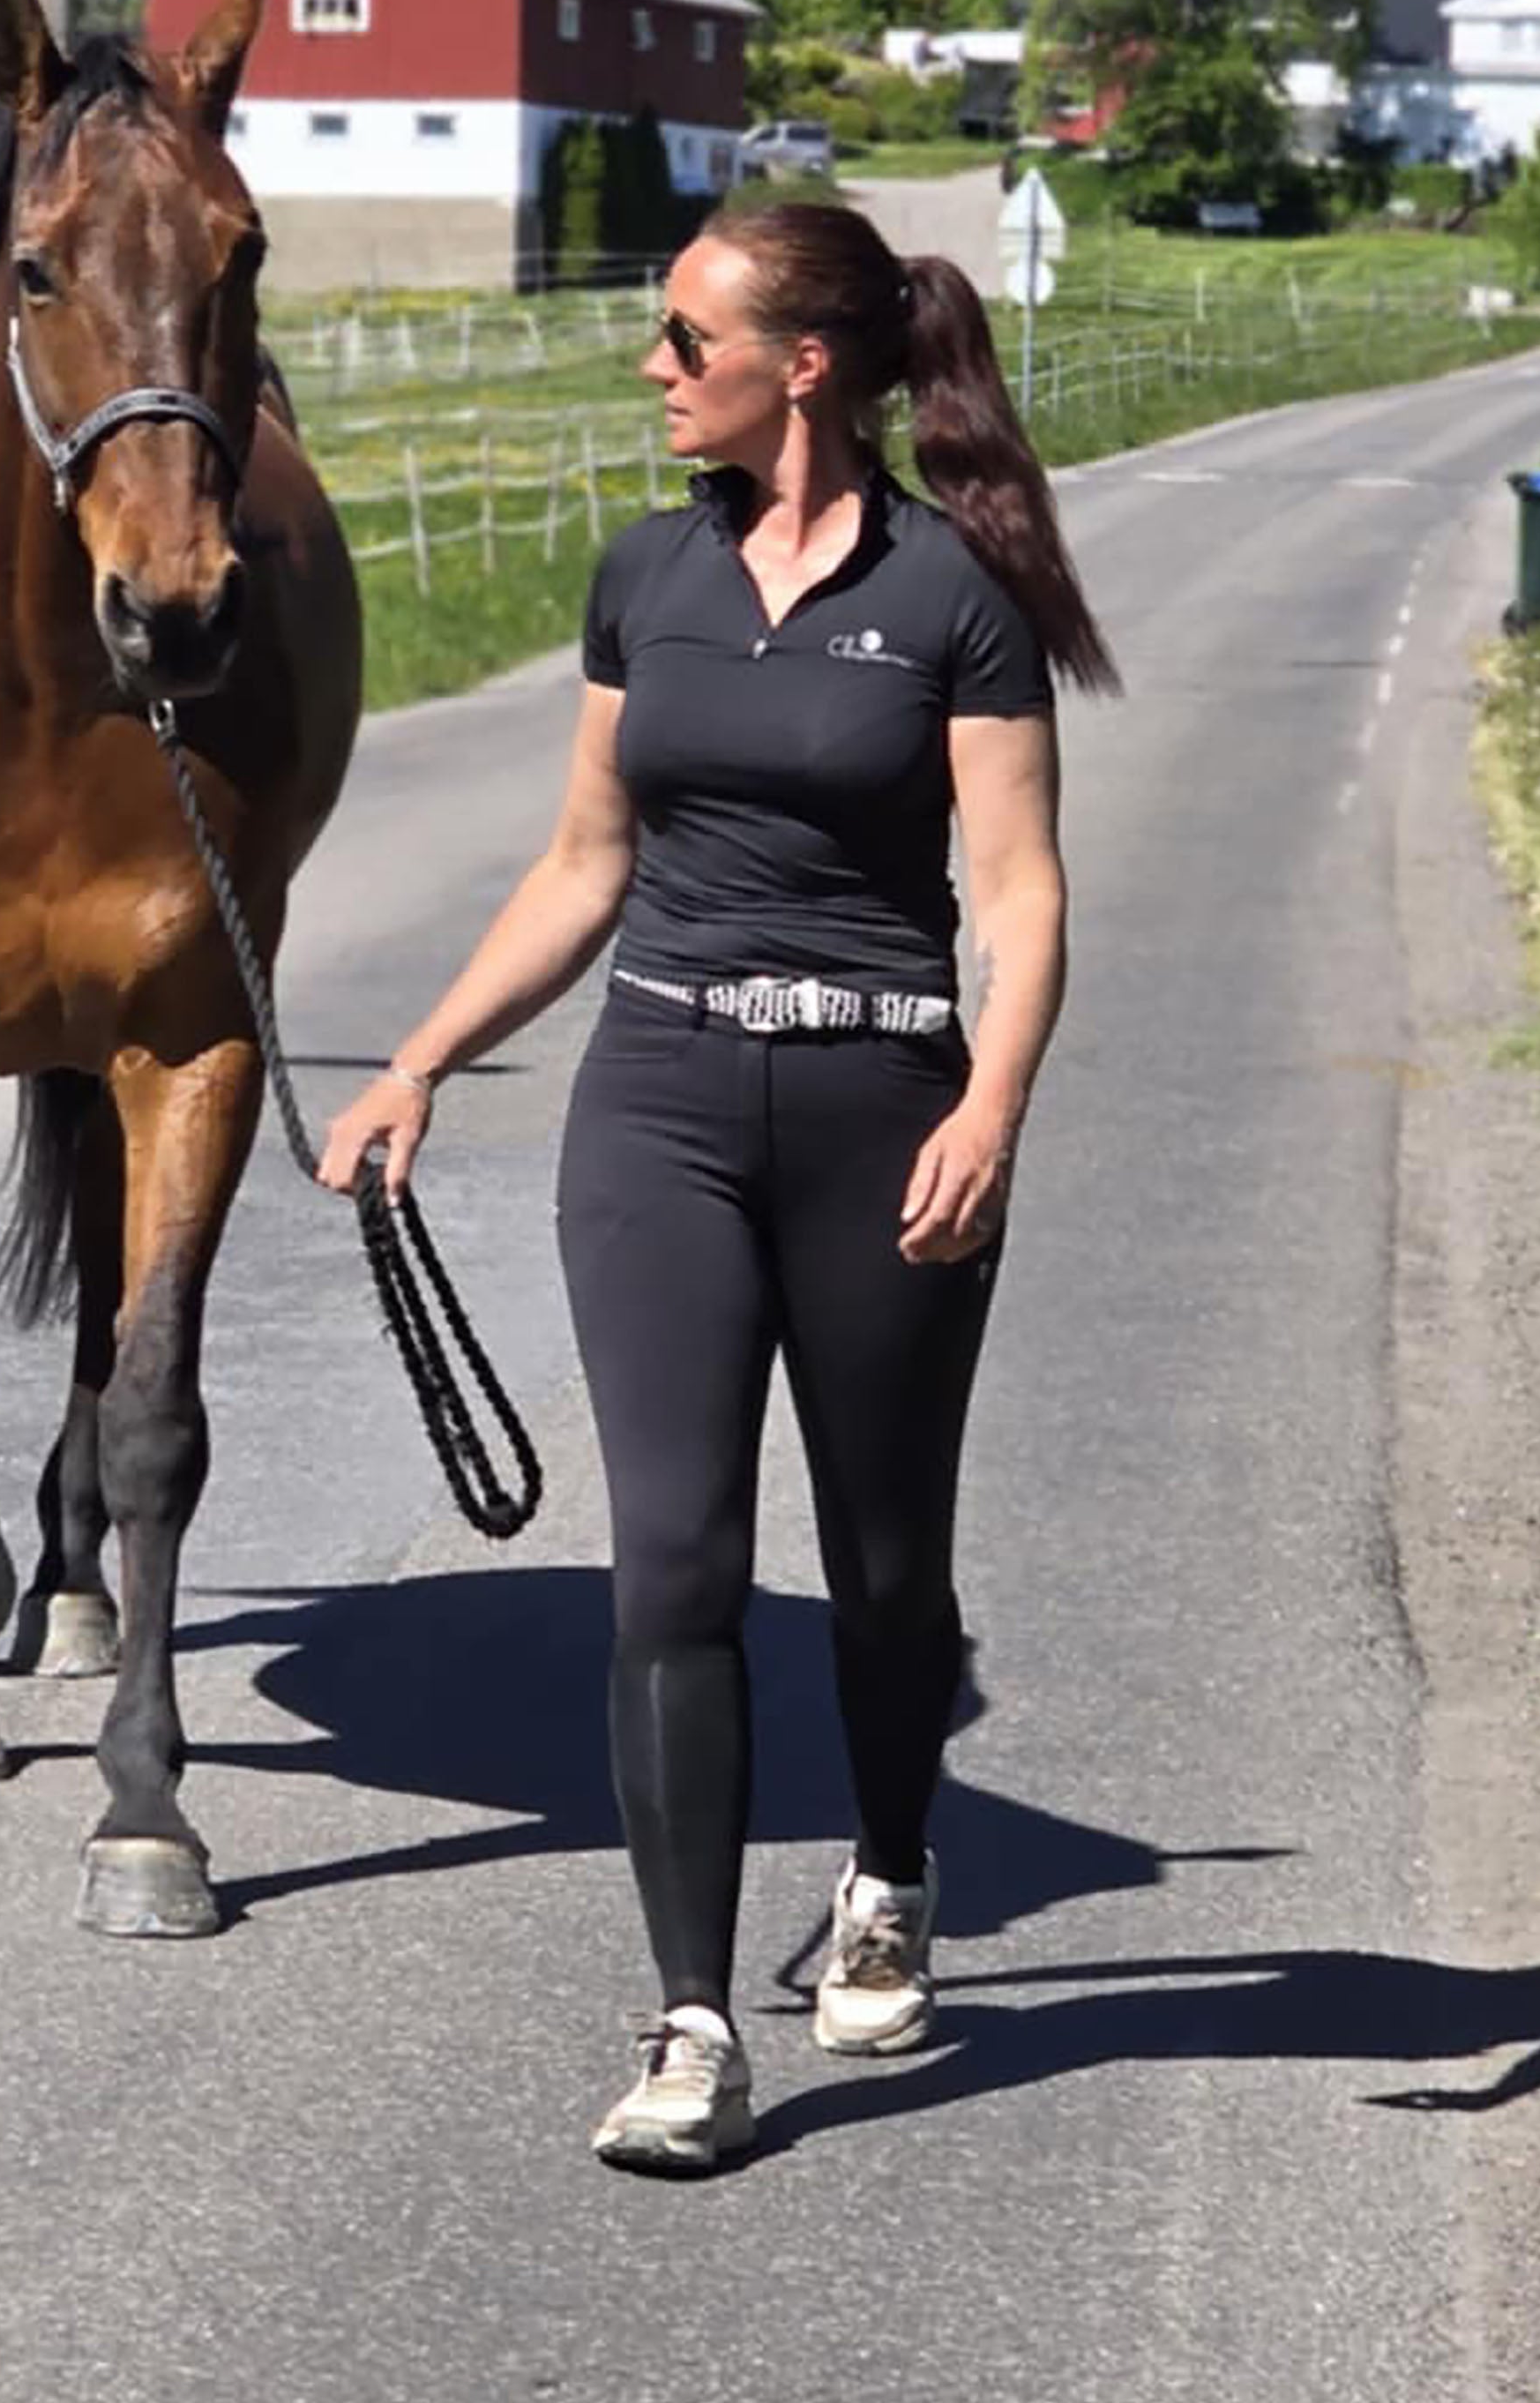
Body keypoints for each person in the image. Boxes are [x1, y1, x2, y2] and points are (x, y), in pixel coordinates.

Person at [317, 196, 1117, 2175]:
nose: (655, 365)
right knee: (670, 1562)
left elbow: (1012, 883)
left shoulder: (950, 595)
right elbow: (586, 863)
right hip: (658, 1099)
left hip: (880, 1107)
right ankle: (688, 2024)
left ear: (804, 366)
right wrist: (420, 1058)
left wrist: (990, 1102)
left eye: (687, 336)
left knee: (880, 1568)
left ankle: (893, 1866)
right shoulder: (643, 579)